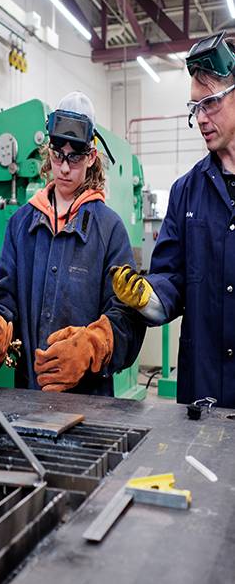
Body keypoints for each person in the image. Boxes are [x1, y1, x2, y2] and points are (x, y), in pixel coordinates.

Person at [0, 92, 145, 395]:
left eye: (75, 156)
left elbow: (126, 321)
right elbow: (4, 298)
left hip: (90, 404)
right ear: (47, 151)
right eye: (57, 154)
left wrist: (92, 345)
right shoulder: (22, 224)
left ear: (91, 157)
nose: (64, 167)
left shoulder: (109, 229)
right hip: (30, 397)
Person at [112, 32, 235, 408]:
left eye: (210, 102)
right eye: (194, 106)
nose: (200, 118)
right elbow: (172, 278)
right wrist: (148, 296)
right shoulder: (186, 192)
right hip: (204, 389)